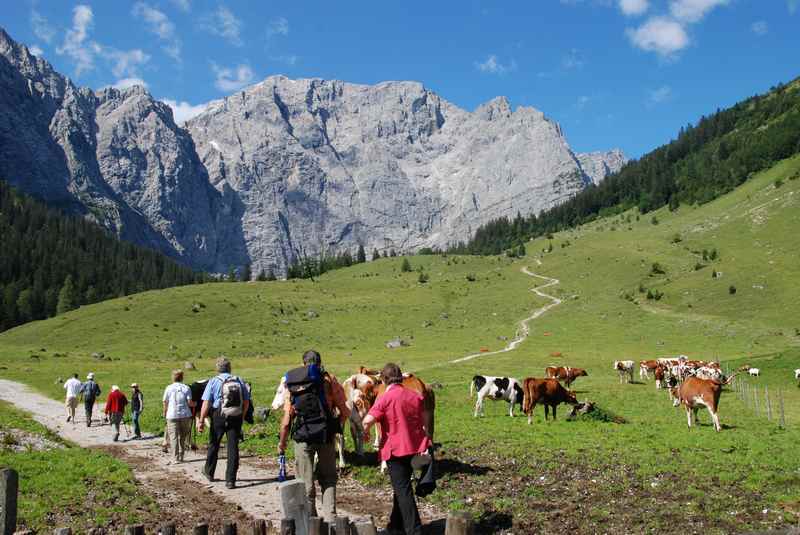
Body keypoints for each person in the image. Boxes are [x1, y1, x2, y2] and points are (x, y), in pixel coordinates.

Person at [278, 350, 349, 524]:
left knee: (304, 482)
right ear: (320, 363)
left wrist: (282, 443)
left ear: (303, 364)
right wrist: (335, 425)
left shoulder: (293, 382)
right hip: (325, 436)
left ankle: (311, 522)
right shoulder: (329, 379)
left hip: (303, 438)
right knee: (329, 479)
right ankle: (331, 519)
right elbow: (345, 410)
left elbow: (287, 420)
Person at [362, 363, 431, 535]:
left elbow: (367, 420)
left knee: (403, 491)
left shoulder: (384, 398)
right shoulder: (415, 396)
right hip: (415, 448)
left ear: (384, 380)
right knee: (401, 486)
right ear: (400, 377)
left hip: (395, 451)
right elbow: (424, 421)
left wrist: (365, 432)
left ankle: (414, 530)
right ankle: (396, 525)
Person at [199, 357, 250, 488]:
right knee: (233, 447)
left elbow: (206, 402)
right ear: (230, 368)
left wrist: (201, 420)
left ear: (217, 368)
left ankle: (209, 472)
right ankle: (230, 480)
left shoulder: (213, 381)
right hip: (236, 416)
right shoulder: (239, 380)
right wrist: (242, 416)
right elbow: (246, 401)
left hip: (218, 415)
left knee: (214, 444)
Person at [162, 370, 194, 462]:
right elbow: (190, 403)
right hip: (185, 414)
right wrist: (195, 404)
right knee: (183, 436)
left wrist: (165, 412)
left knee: (173, 437)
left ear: (173, 377)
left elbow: (165, 402)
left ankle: (175, 458)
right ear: (182, 377)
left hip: (172, 415)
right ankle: (181, 455)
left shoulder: (168, 388)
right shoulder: (186, 388)